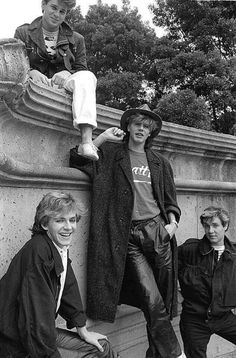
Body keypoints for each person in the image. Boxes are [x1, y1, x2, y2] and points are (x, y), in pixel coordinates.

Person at [70, 104, 185, 358]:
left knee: (163, 302)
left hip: (159, 232)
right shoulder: (111, 155)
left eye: (146, 126)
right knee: (151, 298)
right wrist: (101, 138)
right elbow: (77, 159)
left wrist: (172, 225)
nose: (141, 129)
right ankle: (176, 354)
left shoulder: (160, 163)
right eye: (137, 124)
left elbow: (170, 201)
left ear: (151, 131)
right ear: (128, 127)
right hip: (128, 237)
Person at [0, 191, 118, 358]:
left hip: (36, 335)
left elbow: (68, 287)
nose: (68, 227)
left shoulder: (57, 247)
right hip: (17, 345)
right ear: (45, 224)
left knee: (102, 346)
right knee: (97, 353)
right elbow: (35, 318)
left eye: (72, 220)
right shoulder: (38, 252)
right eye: (59, 220)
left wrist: (83, 330)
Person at [14, 0, 98, 160]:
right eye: (54, 7)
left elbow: (82, 69)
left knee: (88, 77)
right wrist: (30, 71)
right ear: (43, 6)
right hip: (33, 84)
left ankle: (87, 142)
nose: (57, 14)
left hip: (63, 85)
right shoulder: (23, 32)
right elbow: (16, 62)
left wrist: (67, 73)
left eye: (62, 11)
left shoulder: (77, 39)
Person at [178, 206, 236, 358]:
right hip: (194, 319)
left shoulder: (234, 255)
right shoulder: (190, 250)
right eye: (207, 226)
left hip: (224, 317)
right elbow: (166, 265)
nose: (210, 230)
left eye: (215, 225)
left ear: (225, 226)